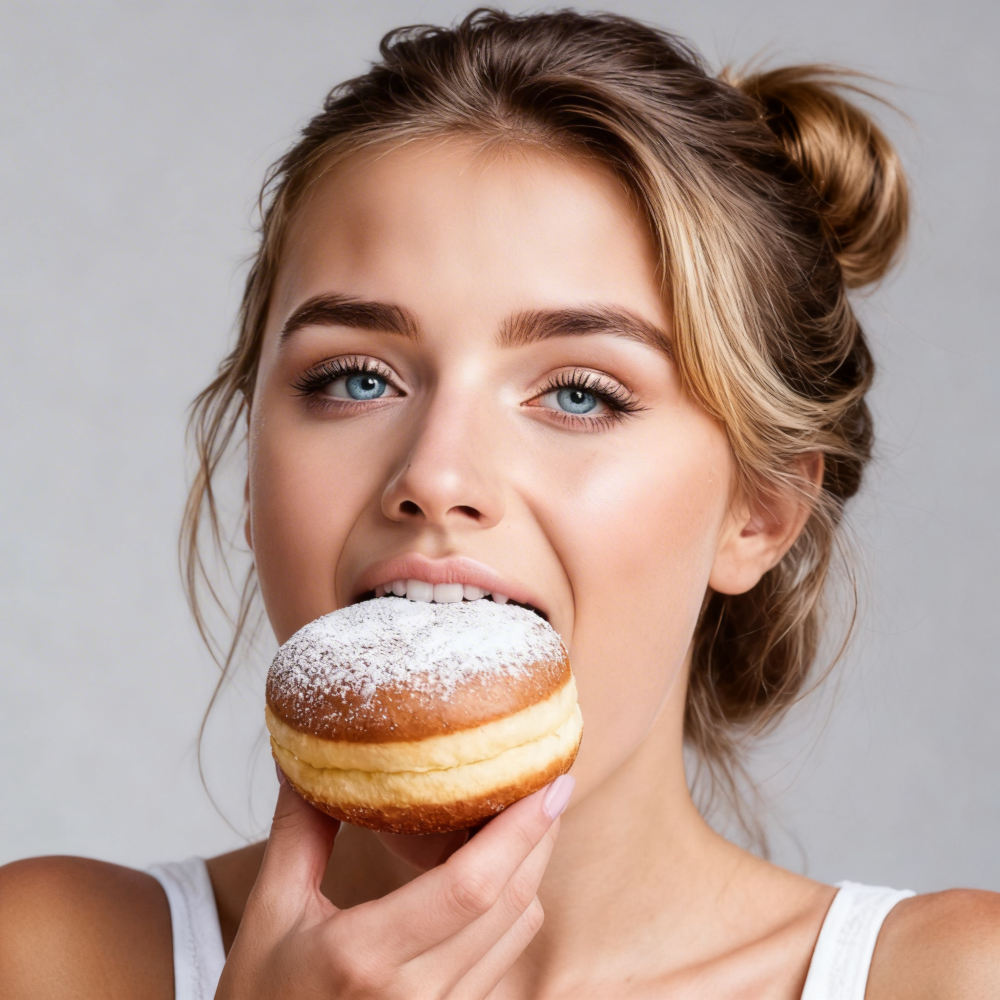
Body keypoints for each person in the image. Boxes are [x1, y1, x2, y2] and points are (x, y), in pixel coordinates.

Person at [2, 8, 997, 998]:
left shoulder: (950, 977)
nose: (434, 475)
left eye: (578, 393)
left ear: (760, 512)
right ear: (252, 461)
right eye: (354, 378)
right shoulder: (51, 959)